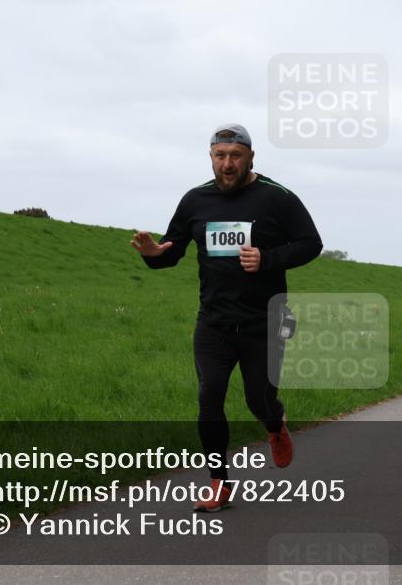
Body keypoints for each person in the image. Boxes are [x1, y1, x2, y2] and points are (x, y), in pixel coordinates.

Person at [131, 123, 323, 512]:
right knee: (209, 397)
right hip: (214, 322)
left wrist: (268, 259)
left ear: (251, 157)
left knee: (259, 400)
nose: (228, 163)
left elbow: (311, 244)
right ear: (211, 158)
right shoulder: (195, 201)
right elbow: (171, 251)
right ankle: (219, 484)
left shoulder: (277, 198)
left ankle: (275, 424)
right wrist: (152, 254)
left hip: (265, 322)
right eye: (221, 156)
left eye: (236, 155)